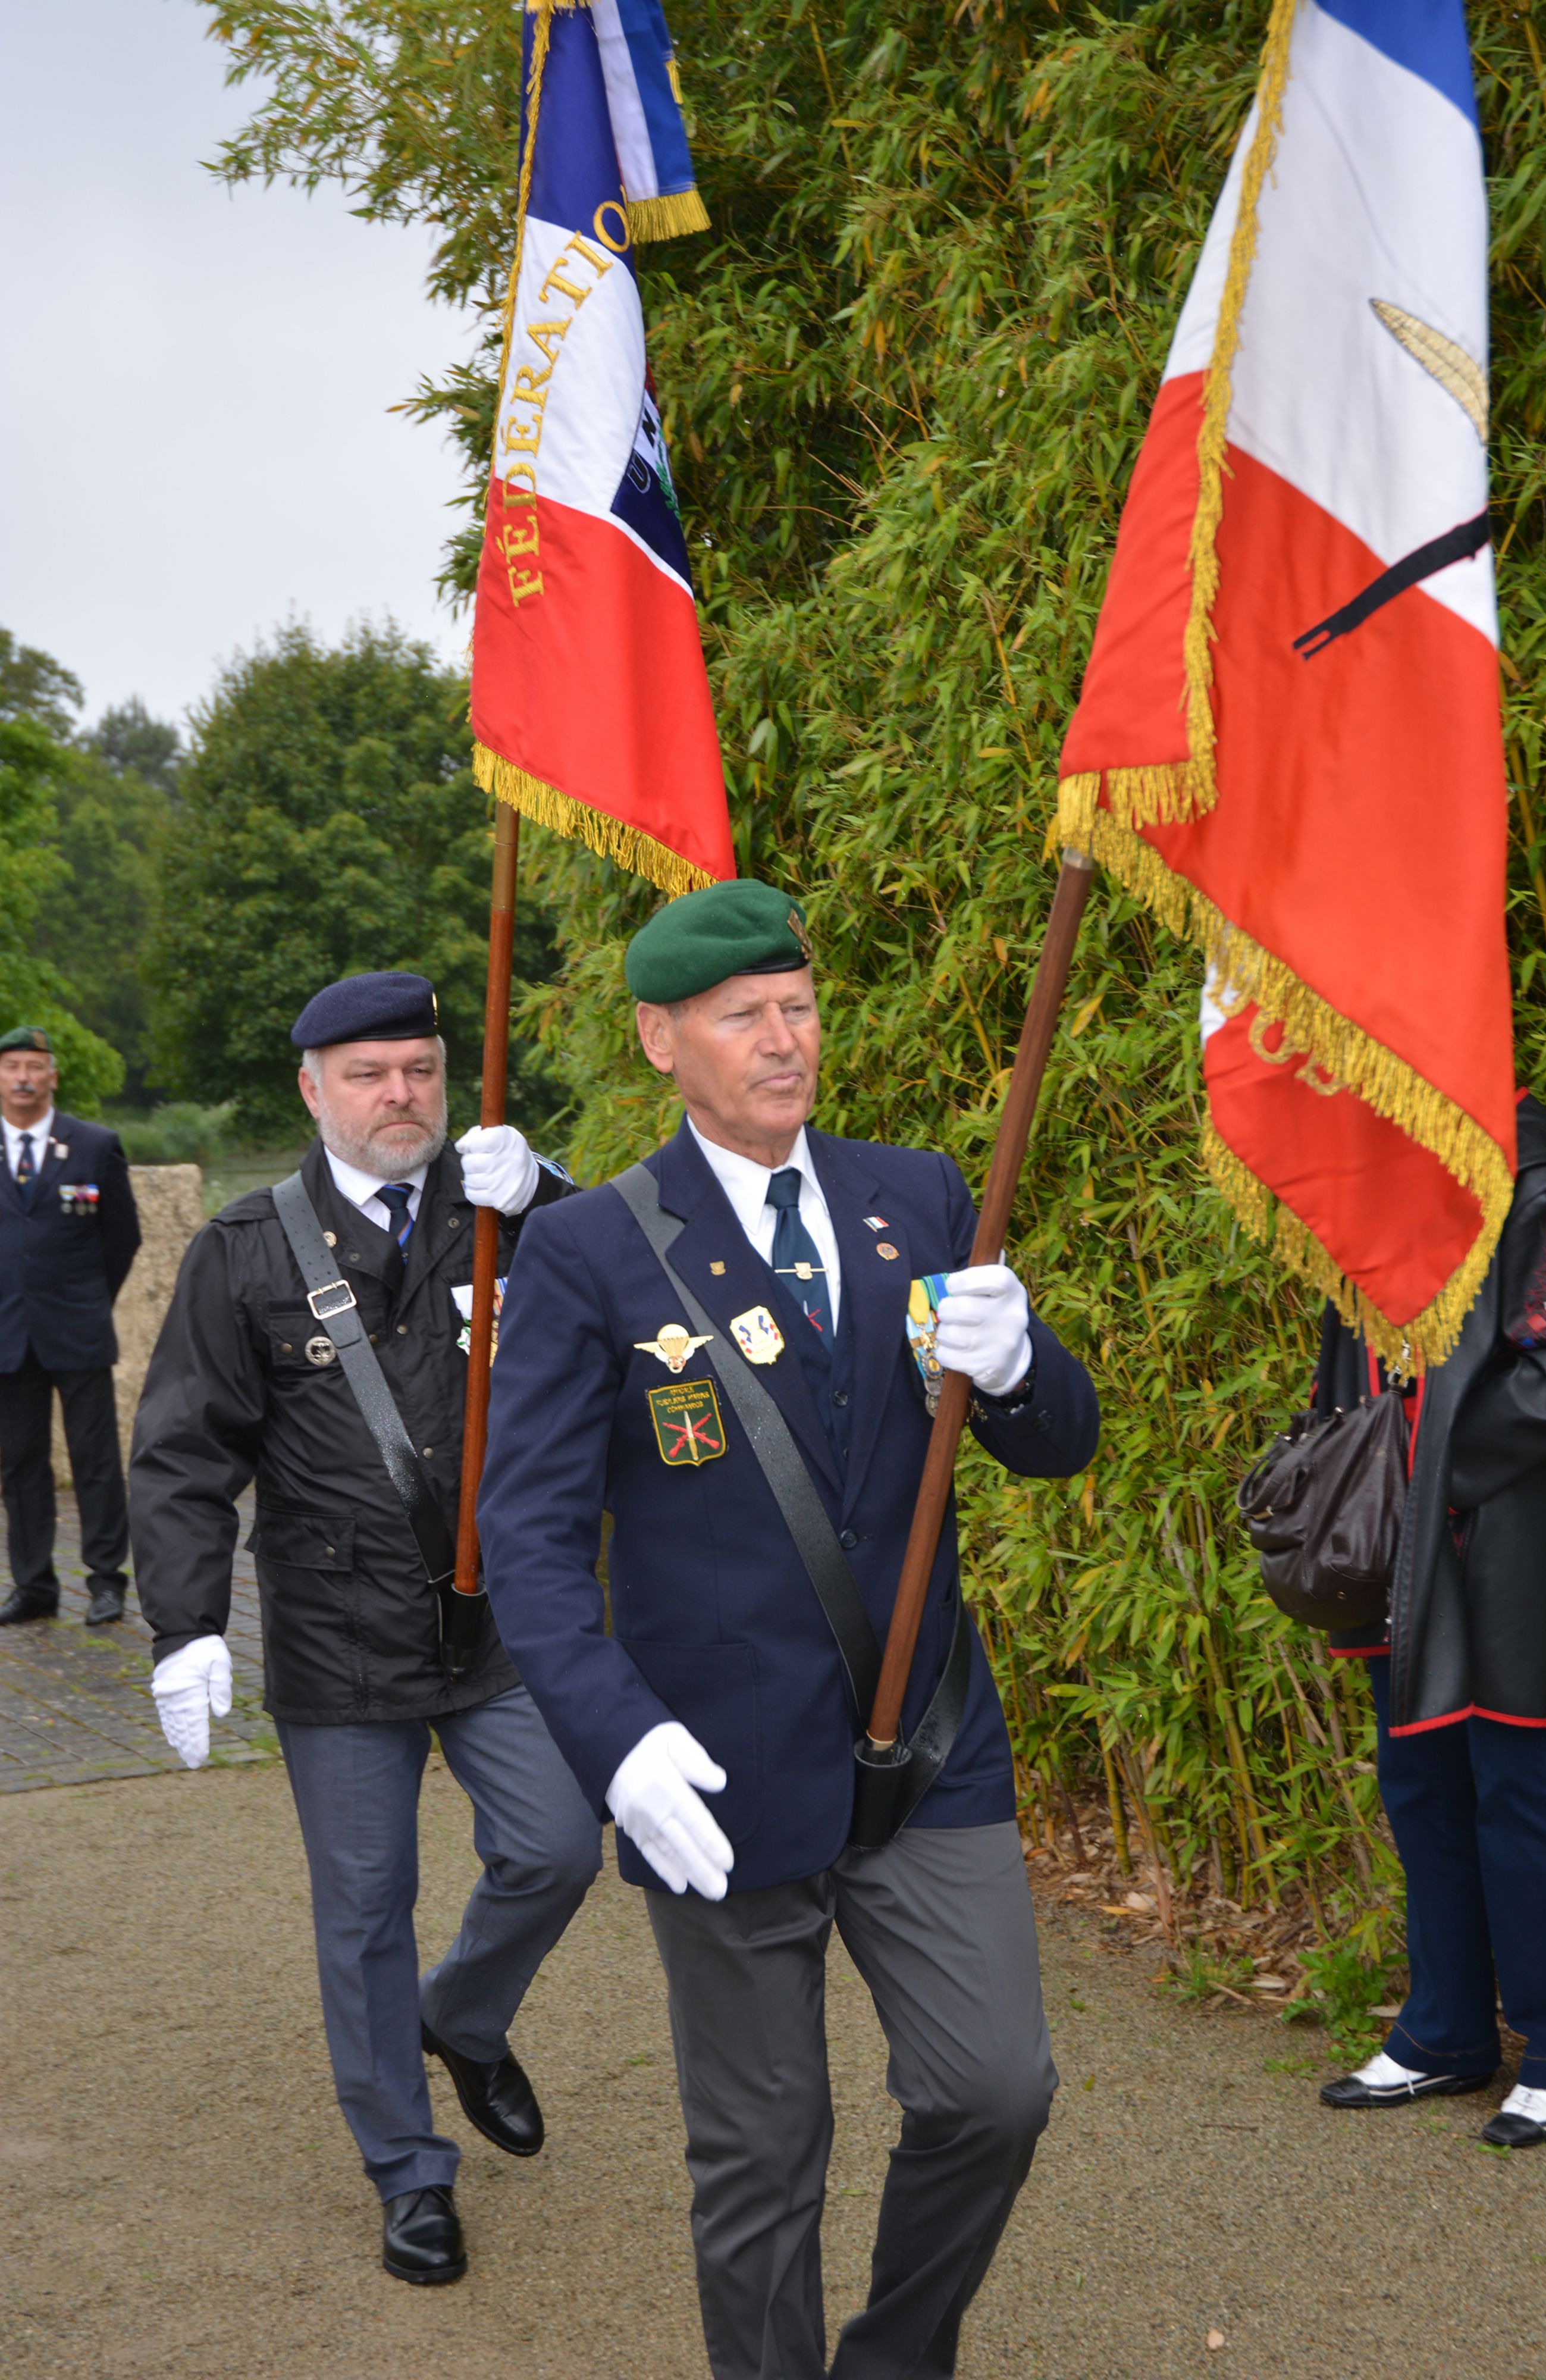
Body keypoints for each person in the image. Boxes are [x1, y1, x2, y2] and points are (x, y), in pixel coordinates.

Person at [476, 880, 1099, 2380]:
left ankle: (890, 2357)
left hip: (926, 1740)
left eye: (799, 1006)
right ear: (659, 1040)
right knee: (762, 2153)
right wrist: (617, 1743)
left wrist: (1020, 1364)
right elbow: (530, 1541)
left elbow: (1053, 1443)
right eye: (742, 1014)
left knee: (993, 2090)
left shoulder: (917, 1194)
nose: (783, 1038)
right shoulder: (592, 1249)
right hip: (716, 1766)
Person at [129, 972, 603, 2285]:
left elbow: (648, 1295)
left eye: (420, 1069)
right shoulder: (245, 1249)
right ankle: (409, 2169)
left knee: (558, 1848)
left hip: (498, 1619)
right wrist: (185, 1622)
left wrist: (552, 1196)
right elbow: (182, 1453)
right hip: (339, 1632)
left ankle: (465, 2014)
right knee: (364, 1908)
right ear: (312, 1088)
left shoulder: (503, 1209)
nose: (401, 1095)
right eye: (368, 1074)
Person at [1318, 1089, 1546, 2148]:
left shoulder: (1538, 1183)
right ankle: (1445, 2030)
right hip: (1386, 1529)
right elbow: (1346, 1359)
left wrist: (1438, 1473)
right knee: (1417, 1772)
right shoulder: (1364, 1167)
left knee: (1513, 1774)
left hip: (1492, 1526)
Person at [0, 1024, 141, 1628]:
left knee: (96, 1461)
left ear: (52, 1076)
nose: (23, 1078)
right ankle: (34, 1585)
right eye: (12, 1067)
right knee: (19, 1464)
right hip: (8, 1333)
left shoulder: (94, 1144)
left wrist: (89, 1299)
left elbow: (123, 1237)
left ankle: (106, 1581)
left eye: (35, 1066)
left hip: (78, 1328)